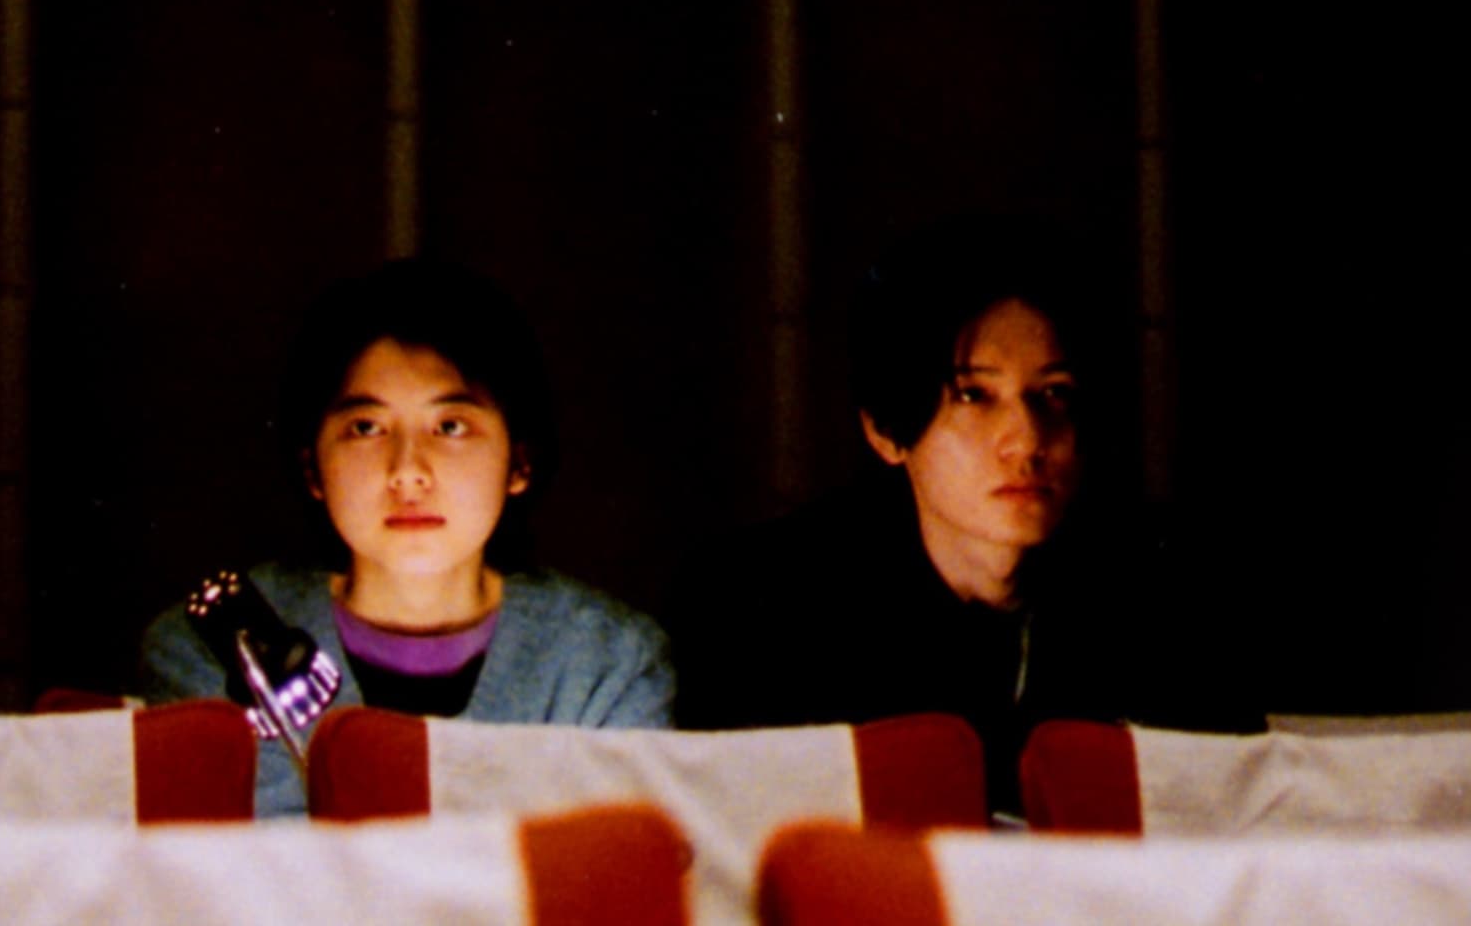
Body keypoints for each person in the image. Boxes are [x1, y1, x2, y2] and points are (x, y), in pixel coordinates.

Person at [671, 217, 1257, 815]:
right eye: (975, 396)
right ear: (886, 431)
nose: (1026, 441)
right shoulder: (764, 605)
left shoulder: (1171, 597)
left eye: (1054, 393)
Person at [140, 259, 673, 816]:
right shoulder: (215, 650)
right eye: (366, 428)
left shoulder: (604, 664)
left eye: (450, 427)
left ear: (519, 462)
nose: (408, 472)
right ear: (312, 469)